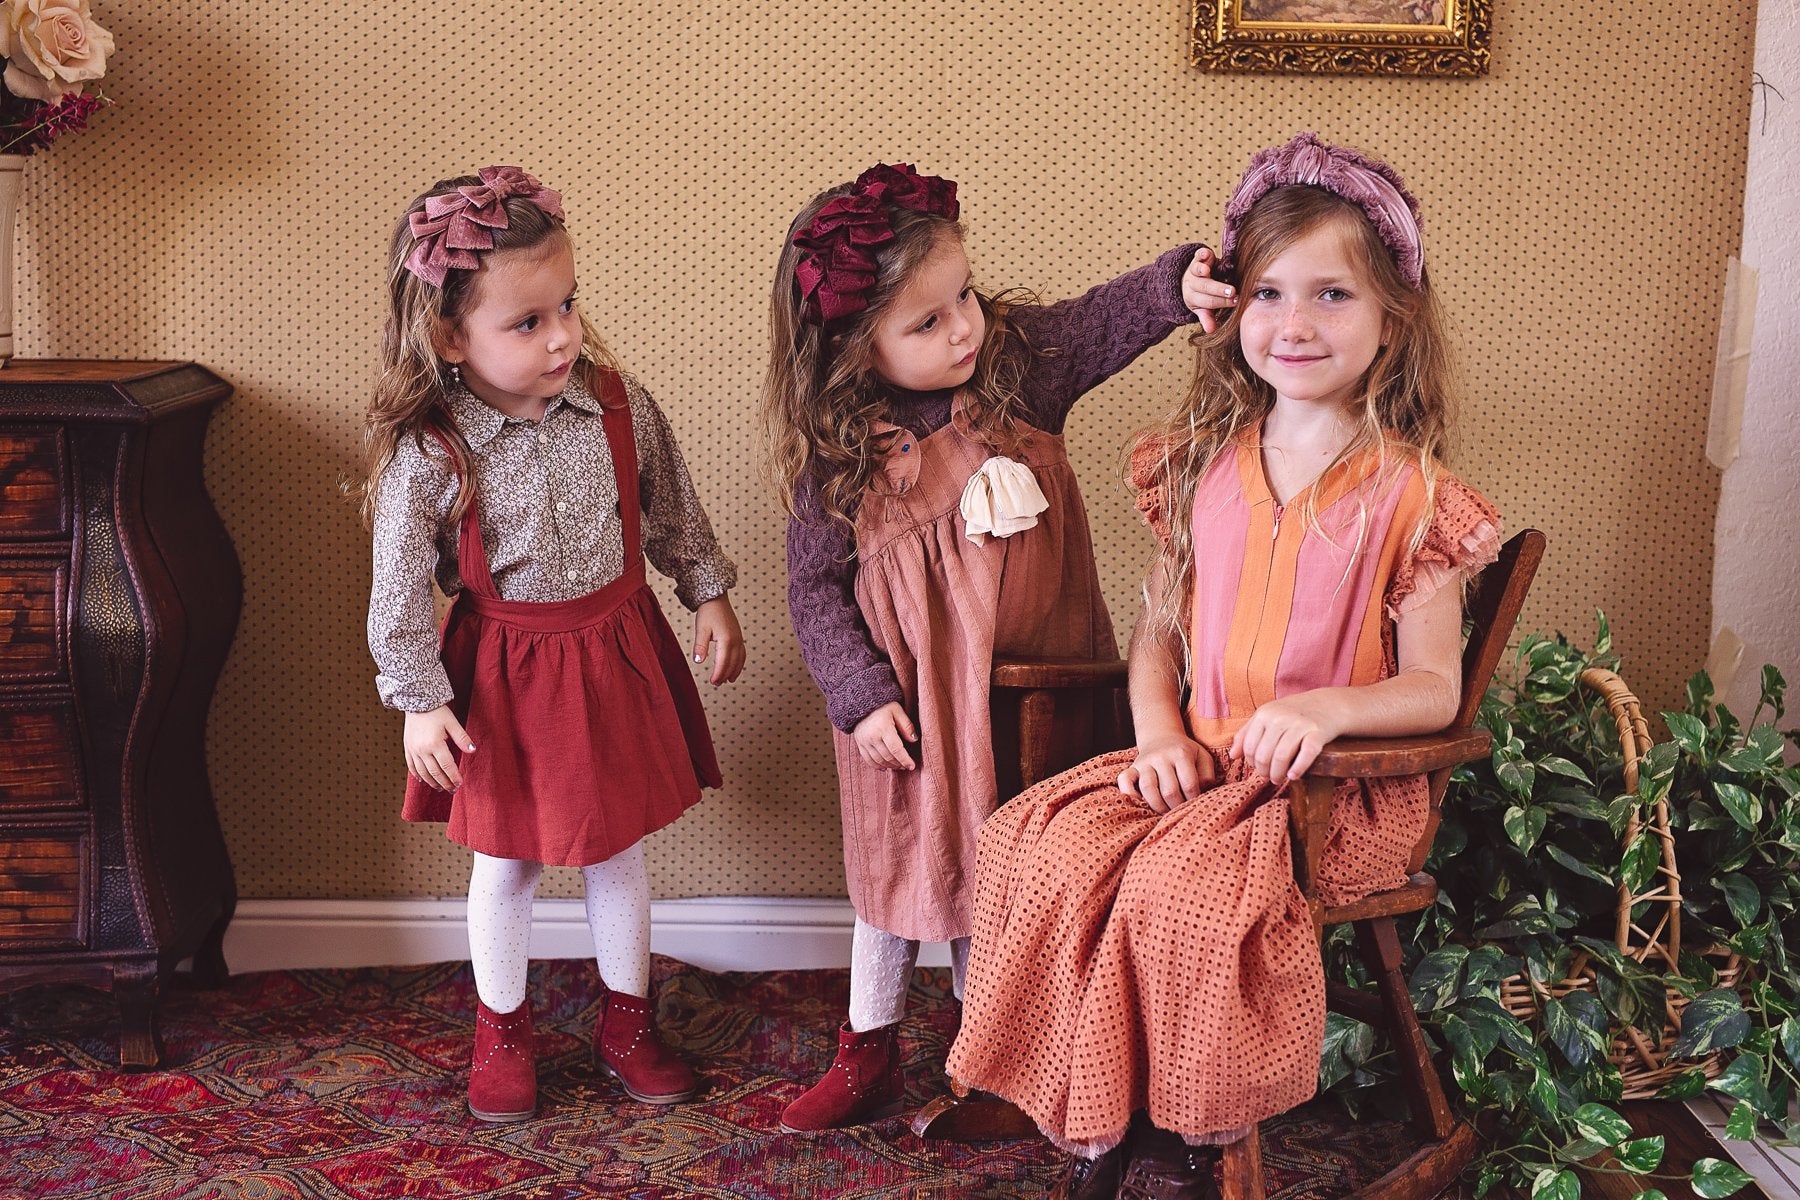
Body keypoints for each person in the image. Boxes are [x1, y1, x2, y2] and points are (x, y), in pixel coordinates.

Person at [944, 133, 1503, 1199]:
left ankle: (1197, 1127)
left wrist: (1329, 711)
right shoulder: (1204, 466)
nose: (1295, 324)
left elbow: (1436, 687)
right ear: (1232, 310)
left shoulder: (1414, 495)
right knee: (1033, 843)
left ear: (1394, 317)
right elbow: (1158, 634)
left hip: (1329, 795)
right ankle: (1095, 1108)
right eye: (1268, 294)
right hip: (1199, 766)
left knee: (1178, 891)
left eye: (1333, 294)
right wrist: (1158, 732)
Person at [762, 162, 1235, 1132]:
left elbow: (1099, 322)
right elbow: (813, 589)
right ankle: (869, 1046)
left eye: (965, 297)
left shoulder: (1019, 368)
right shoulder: (843, 452)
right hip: (915, 710)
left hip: (1038, 695)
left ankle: (990, 1057)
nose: (962, 329)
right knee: (902, 870)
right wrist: (859, 693)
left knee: (1012, 870)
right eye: (926, 322)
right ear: (853, 347)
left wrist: (1172, 285)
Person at [360, 166, 746, 1123]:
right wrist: (419, 700)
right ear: (450, 336)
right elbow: (397, 585)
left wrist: (707, 593)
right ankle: (502, 1031)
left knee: (617, 849)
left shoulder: (618, 406)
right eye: (527, 321)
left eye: (567, 305)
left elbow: (672, 509)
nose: (563, 335)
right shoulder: (432, 450)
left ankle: (627, 1023)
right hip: (504, 677)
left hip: (615, 655)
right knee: (509, 863)